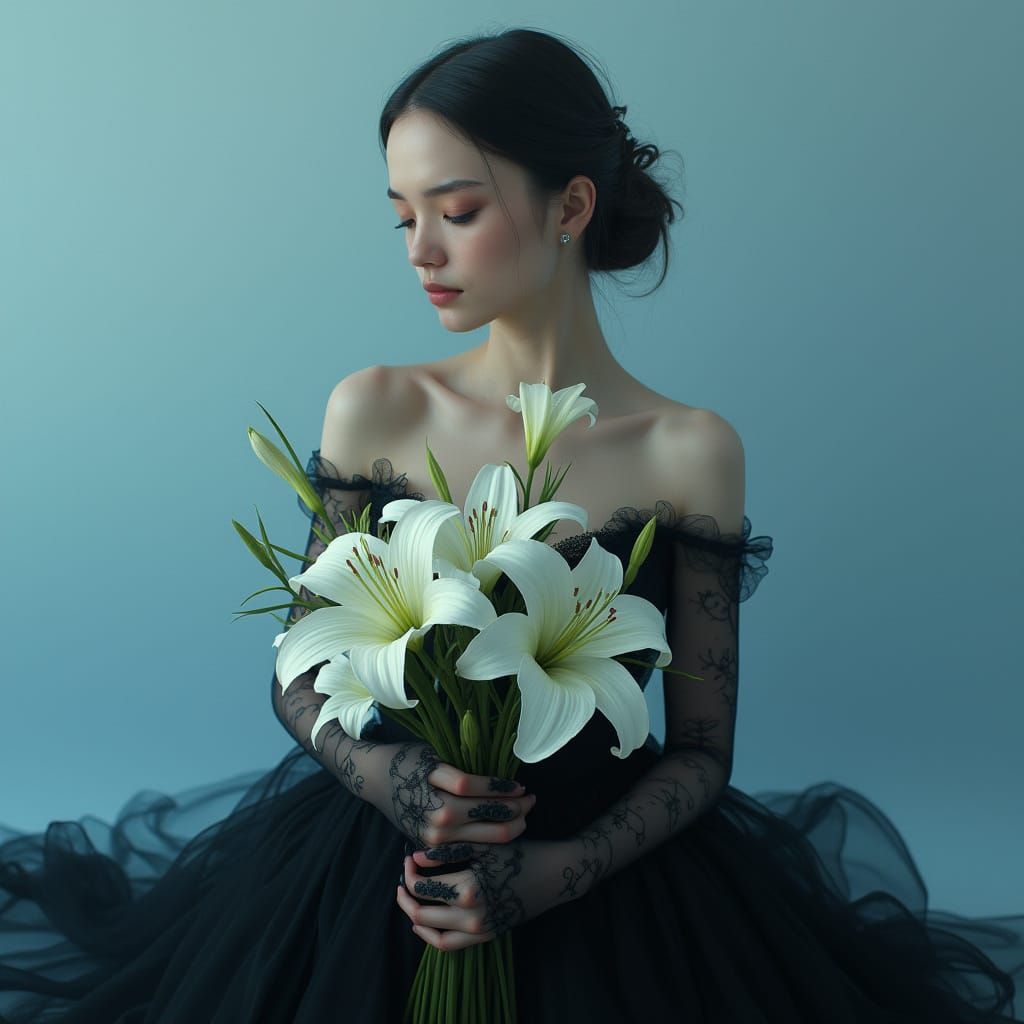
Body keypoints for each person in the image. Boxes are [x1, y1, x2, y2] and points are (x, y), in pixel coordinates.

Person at [1, 25, 1021, 1024]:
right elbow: (301, 667)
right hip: (380, 859)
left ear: (569, 204)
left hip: (598, 880)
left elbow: (700, 752)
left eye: (456, 209)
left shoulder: (689, 450)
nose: (422, 250)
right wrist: (389, 775)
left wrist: (556, 875)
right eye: (402, 216)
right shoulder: (376, 408)